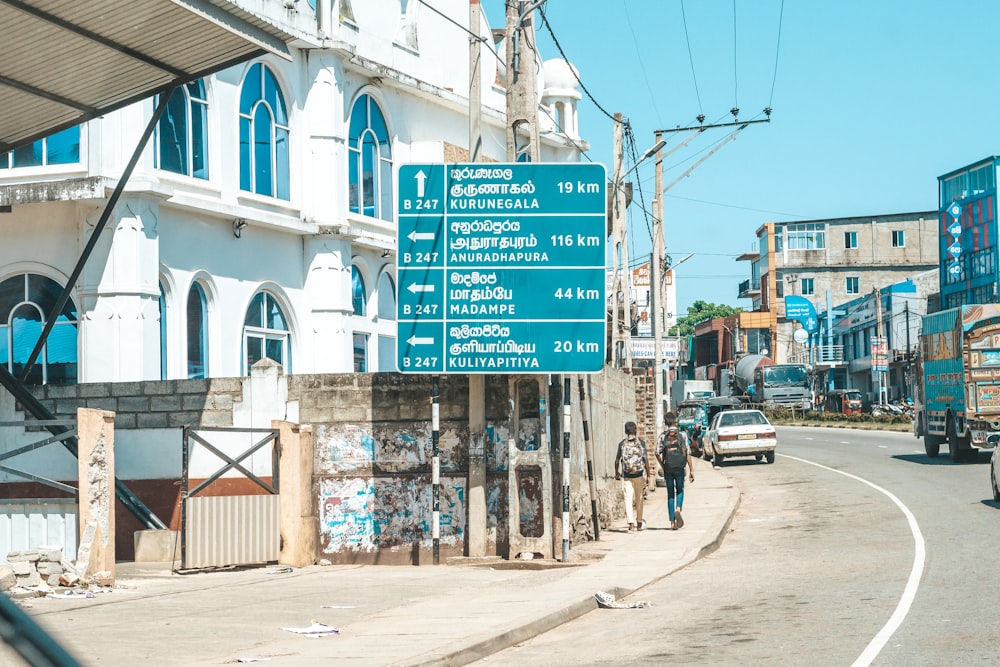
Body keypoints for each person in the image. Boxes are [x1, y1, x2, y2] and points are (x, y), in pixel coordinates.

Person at [656, 411, 695, 530]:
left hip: (668, 468)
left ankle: (672, 522)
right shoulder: (682, 435)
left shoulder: (662, 436)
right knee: (680, 489)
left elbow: (656, 452)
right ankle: (678, 508)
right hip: (680, 467)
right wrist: (691, 469)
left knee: (670, 494)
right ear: (675, 421)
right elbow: (688, 452)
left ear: (666, 423)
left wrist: (663, 466)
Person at [614, 420, 651, 533]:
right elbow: (646, 460)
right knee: (639, 498)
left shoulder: (622, 444)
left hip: (627, 475)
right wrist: (648, 475)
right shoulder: (641, 443)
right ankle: (639, 523)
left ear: (626, 431)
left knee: (628, 498)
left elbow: (616, 461)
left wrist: (616, 472)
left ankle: (630, 524)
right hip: (639, 475)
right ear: (635, 431)